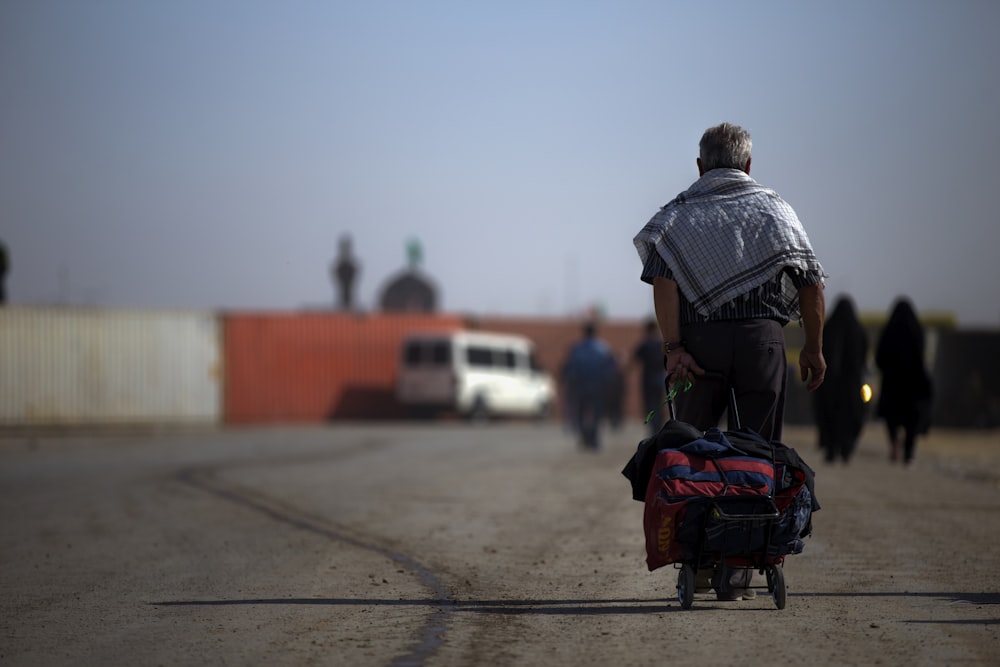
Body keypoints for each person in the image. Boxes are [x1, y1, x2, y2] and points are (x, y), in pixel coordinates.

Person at [633, 122, 827, 601]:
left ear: (700, 166)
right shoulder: (775, 209)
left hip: (698, 348)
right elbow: (811, 283)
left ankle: (697, 563)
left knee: (694, 454)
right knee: (757, 452)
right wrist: (814, 347)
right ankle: (738, 571)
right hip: (763, 342)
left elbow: (663, 284)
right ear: (748, 165)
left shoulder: (679, 214)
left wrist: (675, 348)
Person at [875, 298, 933, 466]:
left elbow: (880, 358)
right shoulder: (917, 331)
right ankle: (908, 453)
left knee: (892, 417)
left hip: (892, 384)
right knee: (911, 421)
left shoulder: (889, 331)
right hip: (912, 386)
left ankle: (894, 443)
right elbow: (921, 358)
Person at [812, 296, 869, 464]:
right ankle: (846, 448)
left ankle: (830, 448)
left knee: (827, 413)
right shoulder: (859, 331)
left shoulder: (828, 329)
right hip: (852, 386)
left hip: (829, 384)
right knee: (851, 415)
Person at [561, 322, 616, 450]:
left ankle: (585, 437)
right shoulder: (603, 348)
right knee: (597, 413)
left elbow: (570, 367)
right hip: (598, 386)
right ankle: (594, 438)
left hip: (581, 385)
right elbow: (609, 368)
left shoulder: (577, 348)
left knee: (581, 412)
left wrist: (568, 382)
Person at [633, 318, 666, 436]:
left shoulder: (645, 344)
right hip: (660, 380)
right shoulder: (662, 344)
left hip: (647, 380)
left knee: (650, 405)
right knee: (659, 405)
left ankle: (654, 429)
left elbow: (634, 359)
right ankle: (659, 429)